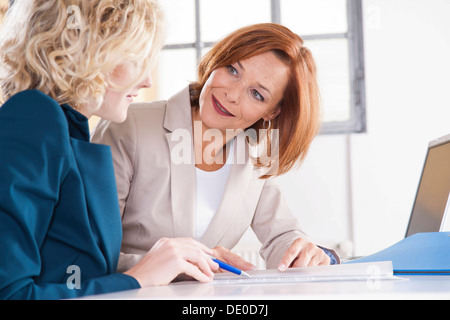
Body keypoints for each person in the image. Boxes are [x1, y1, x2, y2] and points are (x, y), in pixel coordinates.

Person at [0, 0, 219, 300]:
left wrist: (159, 264)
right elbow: (11, 293)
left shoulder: (69, 129)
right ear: (85, 49)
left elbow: (73, 270)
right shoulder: (35, 117)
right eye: (136, 59)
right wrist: (137, 279)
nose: (147, 80)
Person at [91, 23, 340, 274]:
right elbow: (88, 251)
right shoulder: (129, 125)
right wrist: (177, 266)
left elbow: (282, 238)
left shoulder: (253, 158)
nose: (231, 94)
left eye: (256, 94)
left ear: (272, 112)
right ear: (217, 61)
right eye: (232, 70)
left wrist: (310, 255)